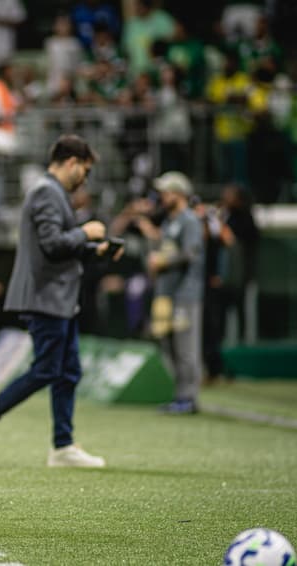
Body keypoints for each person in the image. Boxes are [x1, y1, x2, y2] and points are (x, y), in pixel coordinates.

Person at [0, 134, 122, 469]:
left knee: (67, 371)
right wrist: (87, 232)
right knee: (48, 369)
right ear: (71, 162)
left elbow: (58, 247)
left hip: (56, 298)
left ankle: (62, 445)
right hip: (46, 297)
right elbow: (53, 244)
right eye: (85, 170)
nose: (85, 178)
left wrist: (98, 249)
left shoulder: (51, 193)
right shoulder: (47, 193)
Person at [135, 171, 205, 414]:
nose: (162, 196)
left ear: (179, 193)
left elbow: (191, 254)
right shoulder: (168, 222)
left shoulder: (189, 221)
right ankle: (179, 395)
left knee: (186, 347)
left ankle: (190, 397)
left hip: (185, 294)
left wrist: (163, 261)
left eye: (166, 192)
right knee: (168, 346)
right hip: (165, 293)